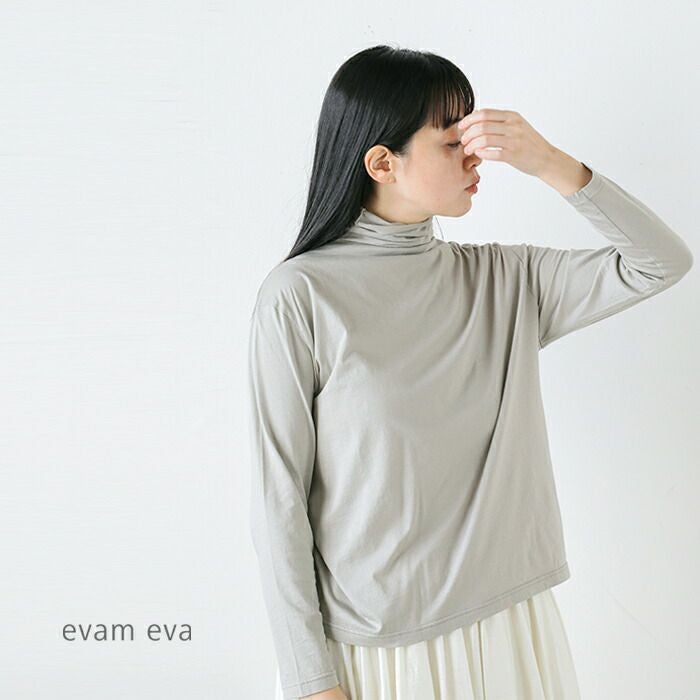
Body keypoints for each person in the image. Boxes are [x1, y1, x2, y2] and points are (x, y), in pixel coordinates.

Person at [247, 45, 693, 700]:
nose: (476, 156)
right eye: (453, 141)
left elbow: (660, 262)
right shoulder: (300, 295)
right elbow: (278, 498)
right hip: (380, 647)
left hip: (512, 624)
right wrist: (311, 679)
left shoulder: (505, 281)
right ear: (382, 163)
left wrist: (551, 163)